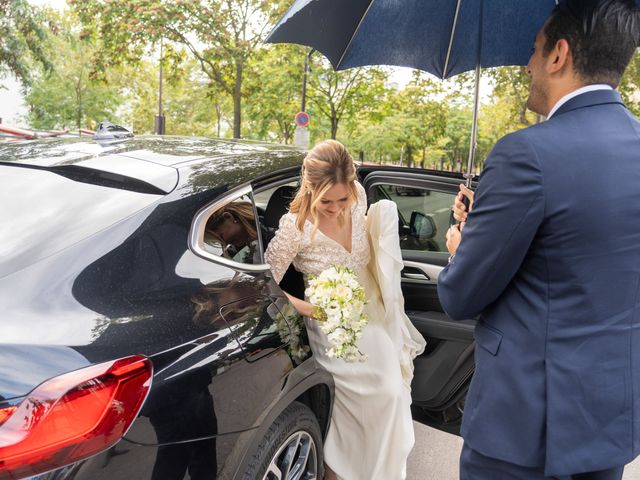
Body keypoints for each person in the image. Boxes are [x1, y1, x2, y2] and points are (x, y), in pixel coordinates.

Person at [438, 1, 640, 479]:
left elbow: (461, 295)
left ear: (558, 55)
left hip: (524, 430)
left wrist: (460, 246)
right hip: (608, 419)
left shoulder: (525, 154)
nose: (527, 65)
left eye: (533, 50)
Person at [265, 139, 425, 480]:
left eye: (342, 198)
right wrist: (314, 310)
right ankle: (336, 471)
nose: (337, 208)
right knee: (356, 405)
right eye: (327, 201)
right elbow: (266, 287)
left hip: (372, 313)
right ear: (309, 188)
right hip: (330, 325)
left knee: (392, 394)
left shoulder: (359, 201)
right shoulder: (294, 228)